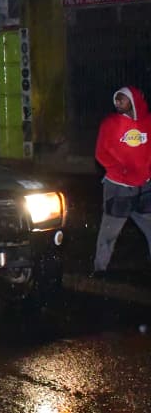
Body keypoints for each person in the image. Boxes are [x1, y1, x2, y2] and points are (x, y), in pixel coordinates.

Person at [92, 86, 151, 276]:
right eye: (116, 99)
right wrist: (121, 170)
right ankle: (100, 269)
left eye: (122, 99)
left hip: (145, 187)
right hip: (119, 187)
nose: (117, 103)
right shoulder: (109, 124)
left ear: (134, 101)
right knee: (109, 232)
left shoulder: (148, 122)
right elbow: (101, 153)